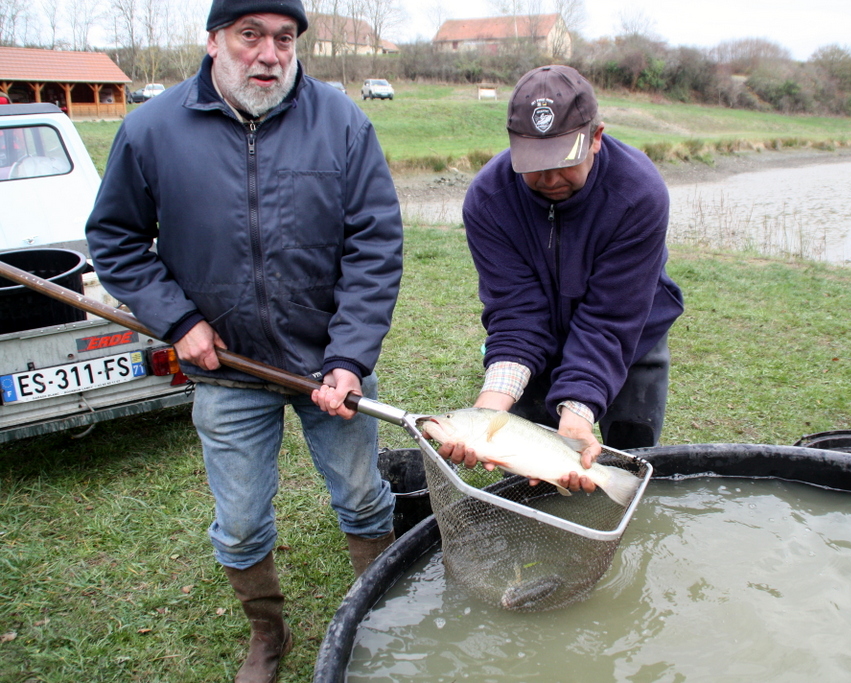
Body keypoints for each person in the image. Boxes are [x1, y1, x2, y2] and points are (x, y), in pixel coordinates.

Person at [84, 1, 403, 680]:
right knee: (239, 524)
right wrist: (177, 320)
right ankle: (267, 634)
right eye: (249, 35)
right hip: (226, 368)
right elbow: (115, 239)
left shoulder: (342, 124)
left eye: (283, 38)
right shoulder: (152, 130)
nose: (268, 54)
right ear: (213, 41)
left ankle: (378, 615)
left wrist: (349, 357)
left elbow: (374, 244)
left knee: (364, 496)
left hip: (327, 371)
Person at [445, 65, 684, 493]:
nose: (550, 179)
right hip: (539, 346)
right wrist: (488, 412)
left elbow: (609, 322)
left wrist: (577, 413)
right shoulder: (488, 199)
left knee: (632, 454)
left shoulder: (639, 194)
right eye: (534, 165)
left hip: (628, 340)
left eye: (564, 161)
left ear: (596, 137)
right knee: (539, 477)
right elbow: (517, 315)